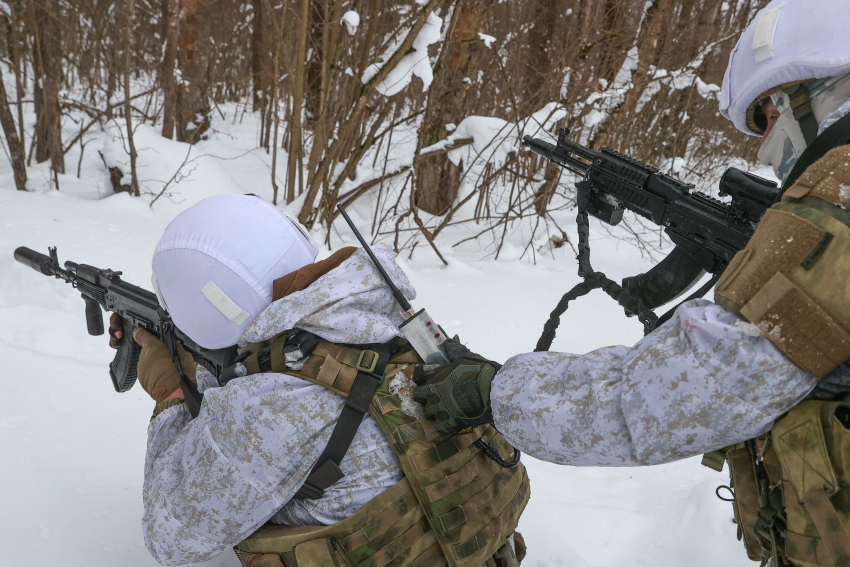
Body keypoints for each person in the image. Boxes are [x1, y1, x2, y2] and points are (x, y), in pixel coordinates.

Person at [415, 1, 850, 565]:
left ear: (814, 90)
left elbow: (675, 397)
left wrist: (497, 392)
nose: (764, 145)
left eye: (765, 117)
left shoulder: (834, 205)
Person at [111, 193, 528, 567]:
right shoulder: (382, 315)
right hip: (475, 545)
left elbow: (172, 538)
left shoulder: (263, 411)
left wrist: (170, 395)